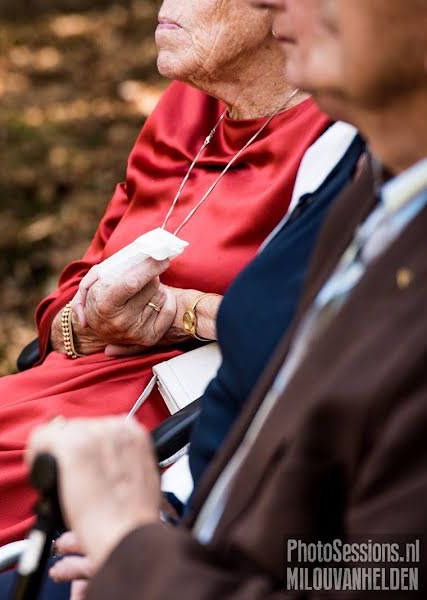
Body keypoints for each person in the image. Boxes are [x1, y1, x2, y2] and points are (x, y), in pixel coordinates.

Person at [0, 0, 333, 596]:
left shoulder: (335, 135)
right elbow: (72, 292)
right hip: (76, 376)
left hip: (182, 400)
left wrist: (180, 313)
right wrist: (89, 321)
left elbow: (325, 323)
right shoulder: (184, 110)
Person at [25, 1, 427, 598]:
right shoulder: (363, 179)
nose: (274, 3)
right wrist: (166, 511)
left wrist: (134, 547)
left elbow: (376, 571)